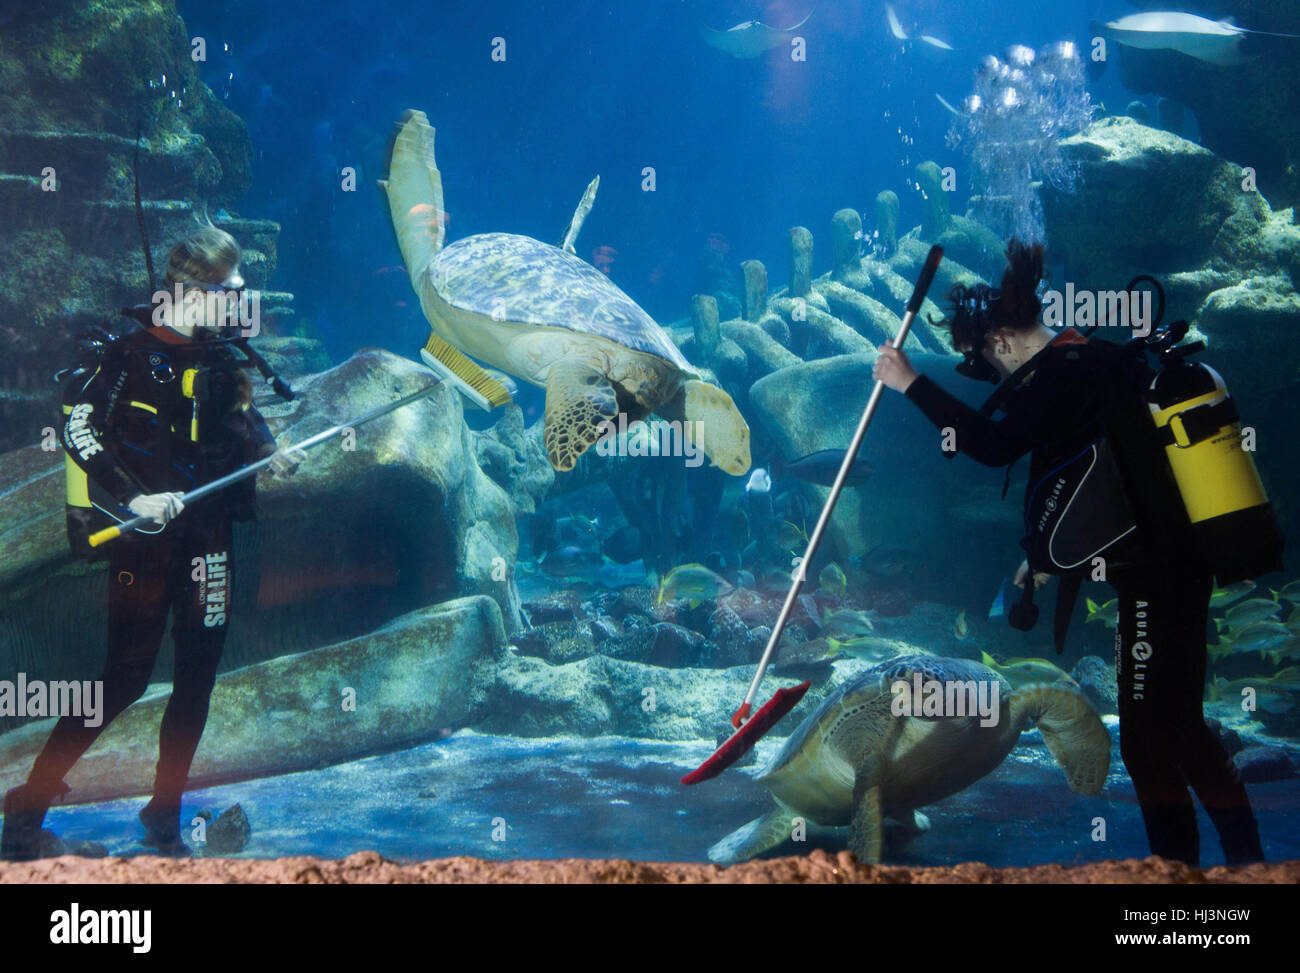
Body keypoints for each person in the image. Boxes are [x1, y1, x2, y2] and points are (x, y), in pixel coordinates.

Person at [871, 239, 1264, 866]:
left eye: (982, 363)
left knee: (1146, 738)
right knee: (1180, 724)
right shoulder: (1090, 361)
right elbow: (1094, 481)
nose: (991, 377)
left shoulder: (1058, 375)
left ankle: (1177, 881)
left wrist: (910, 382)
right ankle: (1244, 864)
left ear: (999, 341)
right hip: (1179, 561)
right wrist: (1046, 556)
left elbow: (994, 446)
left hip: (1156, 577)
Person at [2, 224, 305, 860]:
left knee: (198, 675)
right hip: (144, 539)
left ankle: (164, 811)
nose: (244, 289)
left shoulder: (223, 354)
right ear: (195, 288)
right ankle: (29, 804)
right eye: (231, 281)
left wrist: (271, 454)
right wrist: (132, 495)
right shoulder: (127, 354)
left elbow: (240, 423)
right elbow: (78, 429)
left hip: (209, 537)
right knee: (125, 679)